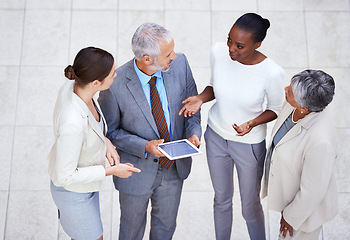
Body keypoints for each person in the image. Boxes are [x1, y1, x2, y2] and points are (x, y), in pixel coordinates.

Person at [179, 13, 284, 240]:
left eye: (239, 46)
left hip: (249, 146)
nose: (231, 49)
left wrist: (252, 123)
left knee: (250, 207)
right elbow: (215, 86)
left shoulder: (272, 72)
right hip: (215, 138)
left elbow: (275, 109)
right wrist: (200, 98)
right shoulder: (218, 52)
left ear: (257, 45)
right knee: (221, 200)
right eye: (229, 40)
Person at [98, 22, 201, 240]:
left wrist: (194, 134)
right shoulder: (114, 85)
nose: (174, 56)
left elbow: (192, 107)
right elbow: (111, 132)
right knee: (131, 231)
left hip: (174, 169)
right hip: (135, 172)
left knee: (165, 229)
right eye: (167, 54)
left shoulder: (180, 64)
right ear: (147, 59)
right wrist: (145, 146)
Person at [48, 47, 141, 240]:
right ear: (96, 82)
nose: (116, 75)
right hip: (73, 194)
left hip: (85, 186)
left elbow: (91, 122)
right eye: (112, 74)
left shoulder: (76, 88)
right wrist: (112, 171)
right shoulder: (72, 123)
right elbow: (64, 176)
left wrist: (105, 140)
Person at [261, 69, 338, 240]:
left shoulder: (321, 142)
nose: (285, 89)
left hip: (305, 213)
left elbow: (312, 192)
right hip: (289, 191)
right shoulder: (296, 104)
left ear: (303, 107)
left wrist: (290, 218)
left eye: (290, 92)